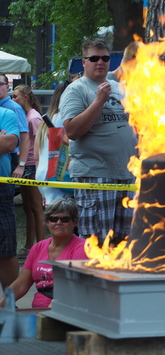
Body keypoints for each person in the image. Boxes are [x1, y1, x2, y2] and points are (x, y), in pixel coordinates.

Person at [59, 40, 137, 245]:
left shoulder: (117, 86)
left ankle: (119, 278)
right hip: (95, 175)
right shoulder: (77, 89)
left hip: (127, 174)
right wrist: (98, 101)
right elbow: (72, 131)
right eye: (94, 58)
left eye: (105, 58)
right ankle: (94, 278)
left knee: (125, 244)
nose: (100, 62)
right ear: (84, 62)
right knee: (97, 245)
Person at [0, 198, 87, 308]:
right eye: (53, 219)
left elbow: (75, 288)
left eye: (65, 219)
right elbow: (21, 285)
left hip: (67, 310)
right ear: (47, 221)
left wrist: (52, 312)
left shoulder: (82, 248)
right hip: (39, 310)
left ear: (74, 222)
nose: (59, 223)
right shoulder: (37, 248)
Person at [12, 85, 45, 259]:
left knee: (36, 207)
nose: (13, 99)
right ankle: (29, 245)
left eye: (15, 96)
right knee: (27, 207)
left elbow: (41, 143)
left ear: (25, 97)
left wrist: (38, 169)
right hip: (26, 166)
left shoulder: (34, 118)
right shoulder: (25, 116)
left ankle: (41, 247)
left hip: (33, 166)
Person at [35, 81, 73, 206]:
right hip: (59, 174)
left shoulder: (45, 121)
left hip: (43, 173)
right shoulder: (66, 119)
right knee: (64, 220)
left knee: (54, 217)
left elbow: (37, 157)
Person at [0, 107, 20, 291]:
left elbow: (8, 145)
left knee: (6, 250)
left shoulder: (6, 114)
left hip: (2, 190)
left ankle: (9, 304)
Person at [0, 73, 29, 180]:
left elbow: (25, 137)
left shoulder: (14, 108)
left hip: (11, 157)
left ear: (8, 87)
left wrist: (21, 165)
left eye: (0, 84)